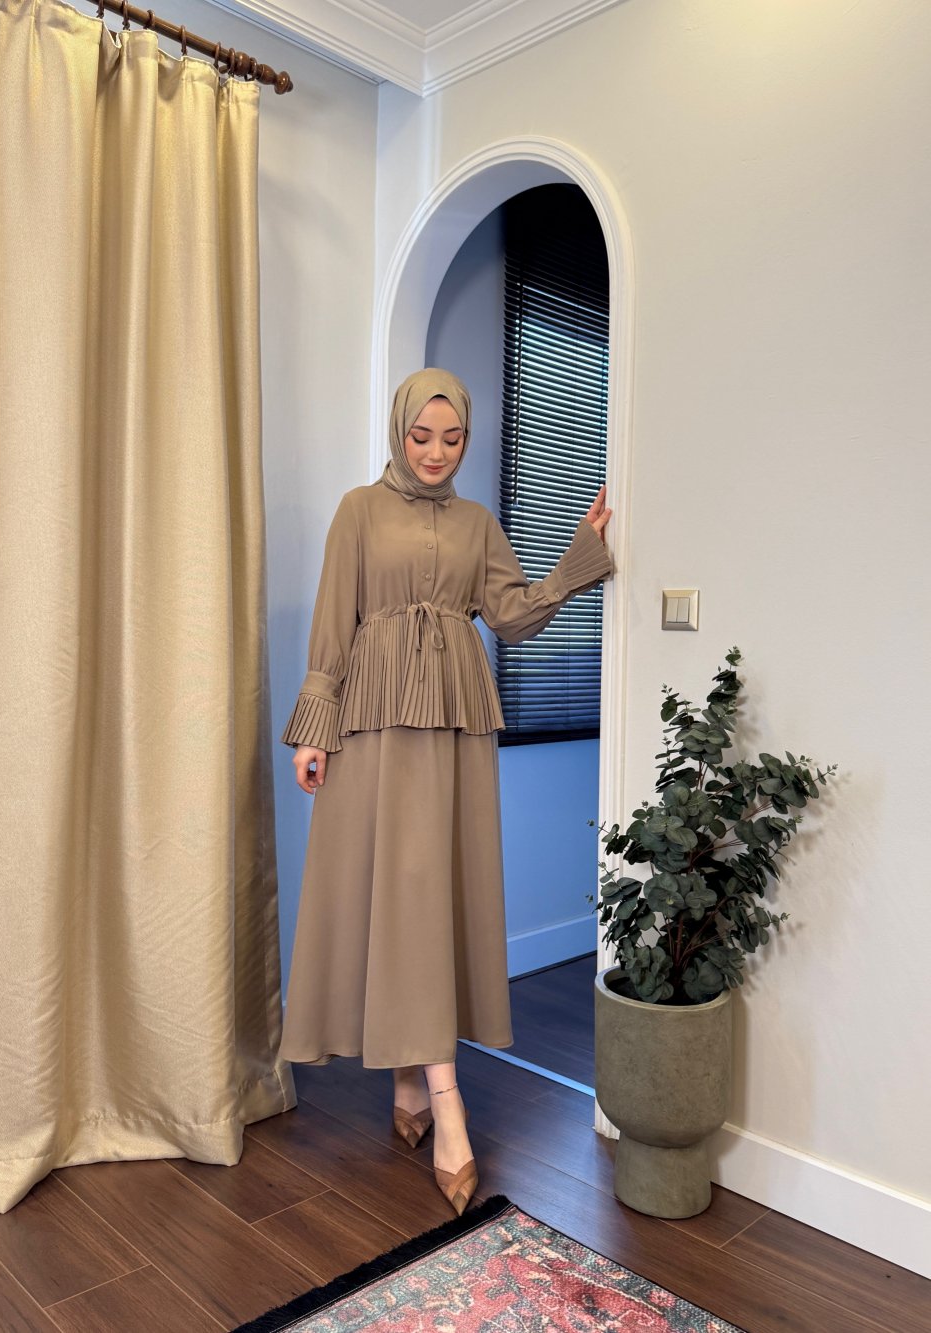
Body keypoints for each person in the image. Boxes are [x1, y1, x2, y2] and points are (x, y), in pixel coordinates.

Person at [278, 367, 614, 1215]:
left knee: (432, 897)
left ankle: (420, 1079)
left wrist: (576, 561)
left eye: (452, 438)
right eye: (421, 436)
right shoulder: (358, 510)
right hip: (373, 726)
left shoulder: (477, 523)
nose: (435, 452)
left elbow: (511, 616)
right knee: (390, 893)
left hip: (456, 730)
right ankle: (440, 1093)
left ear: (467, 438)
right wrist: (314, 726)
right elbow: (334, 621)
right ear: (400, 432)